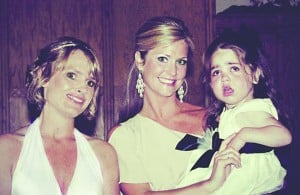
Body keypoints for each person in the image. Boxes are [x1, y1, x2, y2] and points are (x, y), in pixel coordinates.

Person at [108, 16, 241, 195]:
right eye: (163, 59)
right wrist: (210, 184)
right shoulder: (124, 136)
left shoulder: (212, 117)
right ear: (140, 60)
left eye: (181, 62)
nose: (172, 72)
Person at [176, 27, 292, 194]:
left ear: (255, 75)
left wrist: (243, 135)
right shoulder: (232, 111)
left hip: (243, 176)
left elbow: (283, 136)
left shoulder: (252, 109)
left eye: (234, 68)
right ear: (209, 83)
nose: (225, 77)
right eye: (216, 72)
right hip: (225, 170)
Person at [0, 36, 120, 195]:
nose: (82, 88)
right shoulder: (7, 149)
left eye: (90, 82)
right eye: (71, 75)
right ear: (44, 76)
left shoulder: (103, 153)